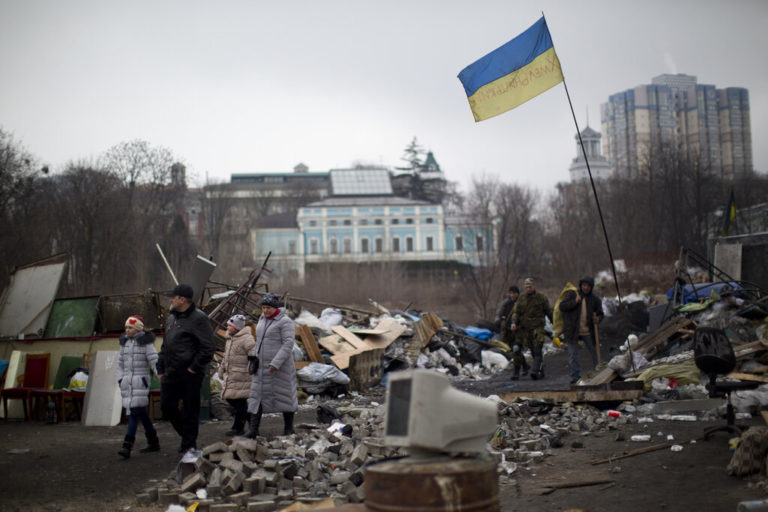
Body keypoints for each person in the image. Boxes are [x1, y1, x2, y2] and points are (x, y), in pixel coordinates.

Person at [158, 283, 215, 454]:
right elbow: (165, 345)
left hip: (190, 372)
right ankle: (187, 435)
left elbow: (208, 347)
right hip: (171, 371)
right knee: (167, 407)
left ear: (182, 300)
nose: (170, 300)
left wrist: (194, 367)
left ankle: (188, 445)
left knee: (191, 409)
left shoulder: (199, 318)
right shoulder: (171, 319)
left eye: (173, 297)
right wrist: (160, 368)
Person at [247, 292, 298, 438]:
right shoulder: (262, 319)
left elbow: (288, 344)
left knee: (285, 396)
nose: (265, 310)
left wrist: (276, 362)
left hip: (280, 367)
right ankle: (253, 430)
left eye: (268, 307)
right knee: (256, 396)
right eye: (263, 307)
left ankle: (289, 428)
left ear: (275, 307)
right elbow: (259, 341)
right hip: (261, 366)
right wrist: (253, 360)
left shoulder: (285, 321)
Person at [117, 315, 160, 458]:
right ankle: (153, 442)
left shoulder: (146, 343)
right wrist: (120, 379)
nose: (127, 330)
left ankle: (127, 446)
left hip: (140, 382)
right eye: (126, 328)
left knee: (134, 413)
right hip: (127, 382)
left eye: (130, 328)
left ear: (137, 329)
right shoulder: (124, 344)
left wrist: (160, 376)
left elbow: (154, 361)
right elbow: (120, 364)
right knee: (141, 412)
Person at [559, 276, 604, 384]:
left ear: (591, 287)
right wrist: (575, 302)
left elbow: (600, 314)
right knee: (572, 355)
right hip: (573, 330)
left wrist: (598, 318)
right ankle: (575, 376)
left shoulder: (595, 300)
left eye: (588, 286)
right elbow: (562, 306)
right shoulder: (573, 294)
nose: (586, 288)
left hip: (588, 330)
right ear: (581, 286)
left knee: (595, 353)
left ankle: (599, 373)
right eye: (584, 285)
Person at [218, 313, 256, 437]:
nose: (228, 328)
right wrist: (221, 369)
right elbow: (226, 357)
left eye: (230, 326)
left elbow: (254, 354)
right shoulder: (229, 339)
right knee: (233, 399)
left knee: (240, 402)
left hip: (243, 376)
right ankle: (249, 425)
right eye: (228, 326)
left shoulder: (246, 338)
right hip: (232, 375)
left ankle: (240, 427)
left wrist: (251, 367)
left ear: (237, 327)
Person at [510, 277, 552, 380]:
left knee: (537, 350)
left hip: (538, 328)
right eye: (527, 287)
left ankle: (535, 371)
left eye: (530, 286)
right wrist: (514, 322)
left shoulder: (541, 298)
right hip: (526, 329)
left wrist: (555, 324)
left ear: (534, 286)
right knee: (533, 351)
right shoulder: (521, 299)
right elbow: (517, 312)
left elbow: (549, 311)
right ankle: (540, 370)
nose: (528, 288)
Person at [497, 286, 530, 380]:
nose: (512, 295)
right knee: (516, 351)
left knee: (516, 349)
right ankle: (525, 365)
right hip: (509, 331)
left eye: (514, 293)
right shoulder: (507, 304)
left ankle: (516, 372)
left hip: (519, 330)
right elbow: (501, 316)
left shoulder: (522, 303)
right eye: (510, 293)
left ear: (518, 293)